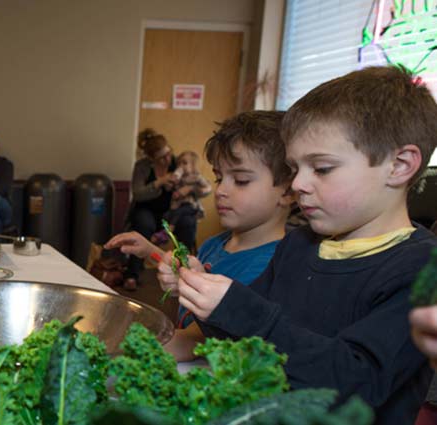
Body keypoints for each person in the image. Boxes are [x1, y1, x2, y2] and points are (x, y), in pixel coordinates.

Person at [163, 66, 437, 424]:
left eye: (321, 169)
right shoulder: (301, 244)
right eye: (294, 168)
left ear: (399, 165)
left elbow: (357, 382)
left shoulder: (420, 270)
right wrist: (206, 298)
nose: (298, 185)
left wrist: (238, 308)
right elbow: (246, 334)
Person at [107, 111, 292, 360]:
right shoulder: (215, 245)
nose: (221, 191)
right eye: (219, 178)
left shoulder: (271, 268)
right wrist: (149, 250)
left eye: (240, 180)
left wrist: (117, 346)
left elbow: (193, 340)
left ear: (288, 191)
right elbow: (186, 275)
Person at [123, 128, 176, 290]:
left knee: (187, 222)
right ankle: (132, 274)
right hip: (145, 209)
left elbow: (194, 183)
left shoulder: (177, 163)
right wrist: (159, 182)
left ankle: (186, 271)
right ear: (152, 159)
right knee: (144, 224)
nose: (168, 159)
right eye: (162, 158)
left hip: (168, 210)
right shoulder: (142, 167)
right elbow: (138, 194)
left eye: (169, 153)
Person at [154, 150, 212, 252]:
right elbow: (168, 189)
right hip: (177, 206)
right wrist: (171, 182)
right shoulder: (178, 178)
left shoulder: (196, 177)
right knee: (168, 215)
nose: (181, 166)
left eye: (184, 163)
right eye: (179, 163)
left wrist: (191, 188)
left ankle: (168, 231)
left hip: (191, 206)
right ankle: (166, 234)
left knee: (179, 213)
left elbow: (208, 188)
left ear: (193, 165)